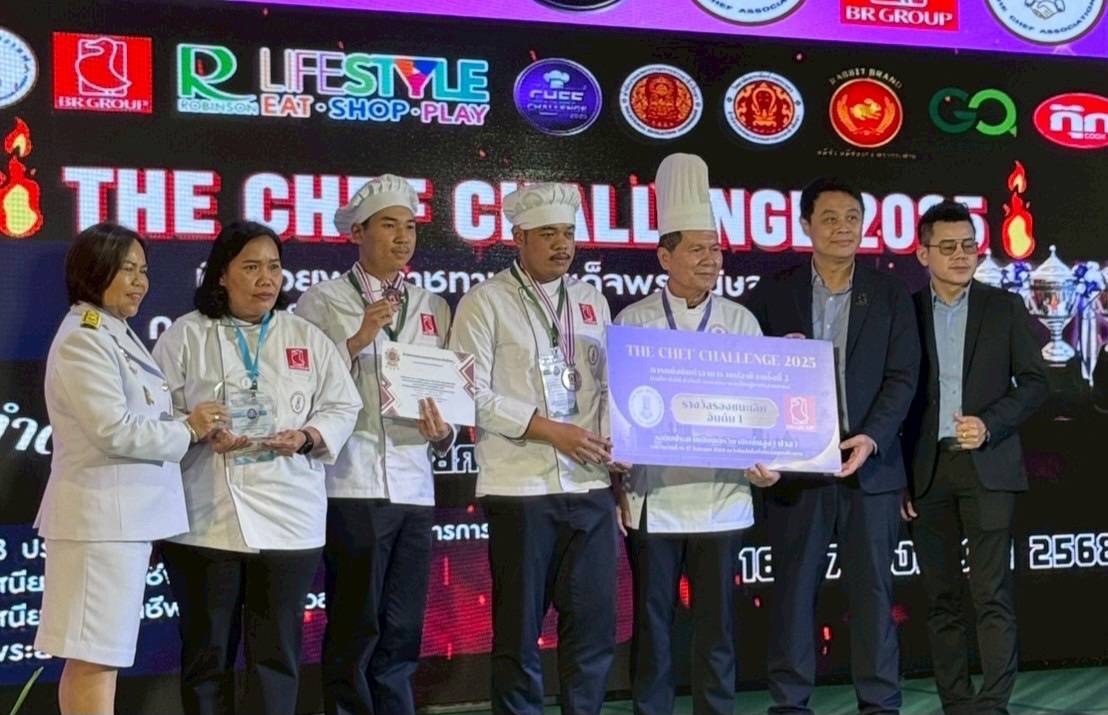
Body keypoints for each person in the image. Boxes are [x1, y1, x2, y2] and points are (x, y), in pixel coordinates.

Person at [152, 220, 361, 715]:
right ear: (222, 275)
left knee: (276, 658)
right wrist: (196, 429)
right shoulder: (186, 334)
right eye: (251, 267)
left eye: (273, 267)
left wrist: (307, 436)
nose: (266, 278)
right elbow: (155, 413)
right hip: (207, 520)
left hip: (290, 519)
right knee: (207, 657)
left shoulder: (304, 335)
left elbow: (342, 405)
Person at [744, 177, 920, 715]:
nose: (842, 228)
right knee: (793, 595)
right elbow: (750, 375)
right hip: (797, 473)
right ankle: (790, 703)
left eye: (851, 218)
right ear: (805, 226)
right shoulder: (774, 293)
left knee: (874, 595)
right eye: (829, 218)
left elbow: (903, 377)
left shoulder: (890, 293)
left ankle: (880, 703)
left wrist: (873, 437)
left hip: (871, 469)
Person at [33, 222, 225, 715]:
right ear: (95, 271)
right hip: (99, 525)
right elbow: (113, 429)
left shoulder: (111, 330)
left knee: (101, 657)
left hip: (117, 524)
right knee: (95, 658)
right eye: (127, 270)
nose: (140, 282)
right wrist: (188, 429)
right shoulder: (84, 338)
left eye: (144, 271)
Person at [613, 154, 777, 715]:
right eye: (698, 250)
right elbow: (618, 410)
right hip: (653, 500)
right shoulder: (633, 321)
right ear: (665, 257)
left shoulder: (741, 321)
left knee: (717, 628)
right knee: (653, 626)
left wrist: (767, 459)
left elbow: (761, 409)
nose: (711, 260)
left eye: (716, 249)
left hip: (723, 497)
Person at [448, 183, 617, 715]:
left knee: (591, 626)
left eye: (568, 233)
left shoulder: (590, 300)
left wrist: (616, 436)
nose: (562, 245)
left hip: (590, 484)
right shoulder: (485, 301)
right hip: (520, 486)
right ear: (518, 238)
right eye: (548, 234)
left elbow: (611, 385)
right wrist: (548, 429)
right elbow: (468, 392)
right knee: (519, 630)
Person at [297, 175, 454, 715]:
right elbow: (302, 387)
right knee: (355, 623)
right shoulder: (322, 301)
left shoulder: (433, 305)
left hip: (415, 486)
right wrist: (358, 339)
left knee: (404, 625)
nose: (403, 237)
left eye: (410, 227)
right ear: (357, 233)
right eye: (389, 225)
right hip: (353, 482)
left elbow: (449, 392)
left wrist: (444, 431)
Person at [901, 200, 1048, 715]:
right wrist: (900, 478)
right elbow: (895, 396)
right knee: (941, 599)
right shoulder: (905, 311)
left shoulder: (1003, 307)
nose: (962, 255)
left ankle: (992, 705)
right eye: (948, 247)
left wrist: (990, 424)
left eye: (969, 245)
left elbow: (1035, 383)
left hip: (989, 465)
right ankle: (956, 703)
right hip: (927, 470)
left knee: (991, 594)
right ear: (923, 253)